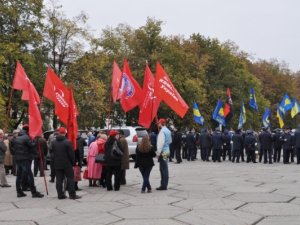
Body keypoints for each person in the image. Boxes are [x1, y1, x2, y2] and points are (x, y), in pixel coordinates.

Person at [11, 124, 44, 198]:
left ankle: (19, 192)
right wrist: (36, 139)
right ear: (28, 130)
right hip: (25, 159)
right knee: (30, 175)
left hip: (18, 159)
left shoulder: (17, 137)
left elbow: (13, 149)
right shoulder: (26, 137)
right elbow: (32, 145)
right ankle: (34, 192)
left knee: (18, 176)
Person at [52, 127, 80, 200]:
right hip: (67, 164)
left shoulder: (54, 142)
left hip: (57, 163)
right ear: (65, 133)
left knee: (59, 180)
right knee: (70, 178)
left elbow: (52, 153)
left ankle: (60, 195)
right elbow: (71, 154)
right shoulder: (67, 142)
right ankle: (72, 195)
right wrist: (73, 163)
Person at [156, 118, 172, 191]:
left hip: (163, 151)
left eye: (159, 123)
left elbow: (160, 144)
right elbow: (170, 141)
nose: (158, 125)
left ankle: (163, 185)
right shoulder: (168, 131)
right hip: (167, 151)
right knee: (165, 168)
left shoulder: (162, 132)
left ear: (161, 123)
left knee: (163, 169)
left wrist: (158, 153)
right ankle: (164, 184)